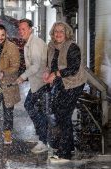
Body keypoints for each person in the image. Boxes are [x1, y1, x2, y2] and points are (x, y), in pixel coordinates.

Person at [43, 21, 86, 163]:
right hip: (60, 83)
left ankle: (65, 154)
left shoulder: (72, 47)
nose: (59, 34)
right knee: (57, 111)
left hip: (74, 83)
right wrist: (47, 72)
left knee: (64, 114)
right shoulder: (51, 46)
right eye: (56, 31)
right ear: (52, 33)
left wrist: (55, 74)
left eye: (62, 31)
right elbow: (49, 64)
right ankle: (69, 146)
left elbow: (73, 68)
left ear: (67, 33)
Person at [15, 19, 49, 153]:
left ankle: (43, 141)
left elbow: (35, 66)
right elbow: (33, 66)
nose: (21, 32)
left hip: (42, 82)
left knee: (33, 108)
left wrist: (23, 76)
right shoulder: (29, 43)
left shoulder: (35, 43)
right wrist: (26, 77)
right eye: (20, 29)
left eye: (24, 29)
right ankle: (42, 137)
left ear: (30, 29)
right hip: (37, 82)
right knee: (32, 107)